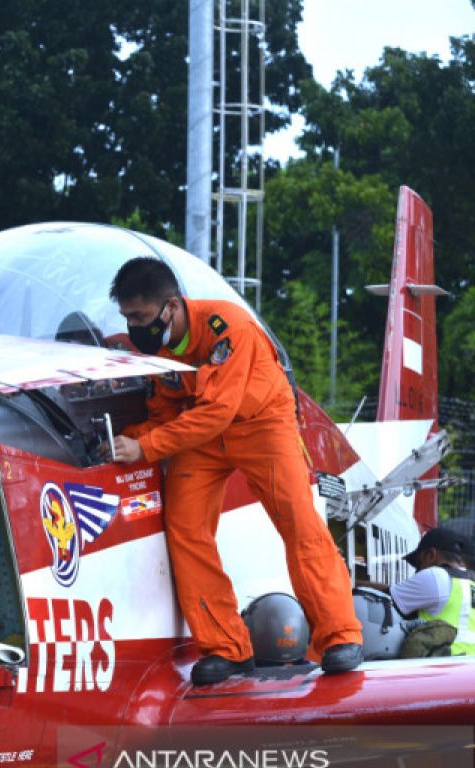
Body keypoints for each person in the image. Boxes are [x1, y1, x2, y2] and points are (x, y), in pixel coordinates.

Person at [106, 256, 363, 684]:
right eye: (128, 317)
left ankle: (340, 636)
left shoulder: (230, 327)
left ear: (171, 306)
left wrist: (145, 447)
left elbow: (218, 412)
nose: (134, 327)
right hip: (200, 434)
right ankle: (227, 646)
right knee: (186, 531)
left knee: (300, 524)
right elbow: (164, 412)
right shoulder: (153, 349)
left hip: (262, 424)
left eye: (141, 316)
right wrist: (121, 439)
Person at [373, 524, 474, 657]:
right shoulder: (470, 582)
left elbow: (384, 597)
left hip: (442, 667)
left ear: (431, 555)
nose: (418, 572)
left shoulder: (436, 576)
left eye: (419, 563)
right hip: (467, 667)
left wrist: (350, 583)